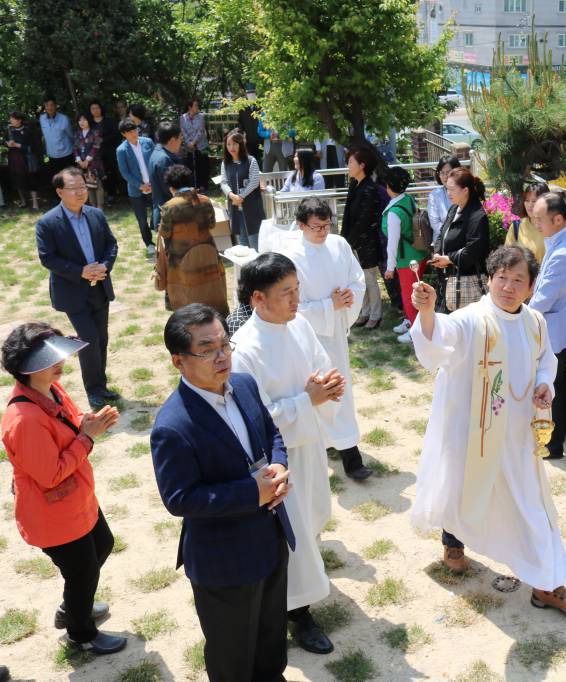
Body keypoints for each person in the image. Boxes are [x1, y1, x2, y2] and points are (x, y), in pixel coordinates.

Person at [409, 245, 566, 614]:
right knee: (461, 486)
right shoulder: (473, 319)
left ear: (531, 286)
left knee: (530, 506)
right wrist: (427, 311)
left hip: (518, 436)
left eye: (517, 279)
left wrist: (544, 385)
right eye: (501, 277)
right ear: (489, 280)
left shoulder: (535, 321)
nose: (508, 286)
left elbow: (545, 361)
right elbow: (439, 336)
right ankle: (452, 540)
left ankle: (548, 584)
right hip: (473, 432)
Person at [150, 304, 295, 681]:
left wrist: (277, 463)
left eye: (224, 344)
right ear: (178, 362)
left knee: (270, 638)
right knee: (233, 654)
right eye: (207, 349)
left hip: (271, 537)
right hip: (225, 562)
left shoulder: (244, 384)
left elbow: (271, 432)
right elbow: (180, 498)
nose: (222, 356)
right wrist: (252, 492)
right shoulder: (173, 425)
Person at [230, 253, 344, 654]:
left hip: (309, 444)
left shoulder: (299, 326)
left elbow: (321, 366)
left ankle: (301, 588)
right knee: (290, 535)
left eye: (297, 289)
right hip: (280, 458)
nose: (297, 300)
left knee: (312, 517)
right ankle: (297, 612)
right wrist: (305, 400)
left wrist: (329, 385)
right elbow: (255, 419)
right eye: (287, 293)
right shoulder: (244, 350)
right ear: (258, 299)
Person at [1, 322, 125, 654]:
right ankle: (81, 634)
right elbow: (51, 473)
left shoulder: (52, 389)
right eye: (49, 359)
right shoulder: (24, 419)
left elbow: (68, 420)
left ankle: (74, 606)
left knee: (102, 545)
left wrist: (86, 422)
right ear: (26, 369)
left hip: (75, 501)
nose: (61, 363)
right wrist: (87, 438)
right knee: (82, 572)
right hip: (53, 514)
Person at [277, 197, 373, 480]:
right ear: (300, 225)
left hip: (334, 334)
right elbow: (289, 303)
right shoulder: (289, 256)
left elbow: (357, 279)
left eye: (327, 225)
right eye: (316, 227)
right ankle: (335, 446)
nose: (323, 232)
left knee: (339, 387)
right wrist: (326, 306)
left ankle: (349, 453)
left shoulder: (339, 245)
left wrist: (348, 297)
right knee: (315, 389)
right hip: (306, 335)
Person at [35, 167, 120, 410]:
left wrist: (104, 266)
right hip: (73, 291)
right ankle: (92, 390)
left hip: (100, 286)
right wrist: (80, 271)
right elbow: (47, 258)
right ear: (60, 192)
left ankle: (101, 384)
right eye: (74, 189)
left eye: (83, 187)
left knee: (102, 337)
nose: (81, 192)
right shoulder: (47, 223)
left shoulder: (95, 215)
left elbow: (111, 244)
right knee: (89, 339)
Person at [528, 193, 566, 460]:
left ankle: (553, 446)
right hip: (562, 323)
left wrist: (519, 315)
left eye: (540, 220)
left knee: (549, 383)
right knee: (559, 379)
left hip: (554, 327)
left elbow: (542, 300)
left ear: (557, 219)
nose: (536, 224)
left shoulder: (563, 251)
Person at [156, 164, 229, 315]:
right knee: (213, 295)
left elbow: (165, 233)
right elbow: (212, 224)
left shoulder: (169, 206)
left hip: (181, 261)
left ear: (171, 187)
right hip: (208, 255)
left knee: (187, 303)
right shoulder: (205, 200)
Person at [430, 166, 489, 312]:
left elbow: (472, 251)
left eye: (452, 189)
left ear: (465, 190)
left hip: (467, 281)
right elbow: (442, 234)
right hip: (448, 280)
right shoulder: (454, 209)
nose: (448, 193)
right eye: (447, 189)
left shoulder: (477, 216)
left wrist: (448, 259)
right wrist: (437, 254)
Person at [382, 167, 428, 341]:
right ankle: (410, 321)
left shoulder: (394, 212)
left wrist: (389, 267)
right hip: (418, 253)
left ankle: (416, 332)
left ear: (388, 186)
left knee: (409, 295)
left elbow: (392, 243)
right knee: (415, 291)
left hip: (405, 258)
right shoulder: (407, 199)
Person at [341, 146, 383, 328]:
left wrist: (351, 240)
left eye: (351, 162)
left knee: (370, 279)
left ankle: (375, 313)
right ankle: (364, 311)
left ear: (362, 165)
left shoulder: (369, 188)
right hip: (353, 240)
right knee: (358, 279)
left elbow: (366, 219)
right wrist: (345, 239)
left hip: (367, 242)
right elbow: (349, 215)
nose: (348, 165)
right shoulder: (354, 184)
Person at [115, 119, 156, 256]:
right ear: (123, 134)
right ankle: (149, 243)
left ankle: (164, 239)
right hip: (136, 190)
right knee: (142, 219)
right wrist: (140, 186)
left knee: (160, 213)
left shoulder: (148, 142)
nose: (134, 133)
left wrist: (153, 182)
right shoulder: (121, 150)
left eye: (135, 130)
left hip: (153, 185)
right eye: (130, 132)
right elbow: (124, 172)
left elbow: (156, 159)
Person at [219, 128, 263, 250]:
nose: (231, 147)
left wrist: (241, 196)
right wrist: (232, 196)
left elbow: (254, 181)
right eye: (228, 144)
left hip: (252, 206)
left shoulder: (250, 161)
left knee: (255, 241)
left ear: (240, 144)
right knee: (242, 242)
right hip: (235, 206)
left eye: (234, 144)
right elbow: (224, 182)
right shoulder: (225, 163)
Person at [148, 121, 184, 229]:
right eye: (180, 138)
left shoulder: (157, 152)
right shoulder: (164, 160)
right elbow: (170, 190)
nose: (181, 141)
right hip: (168, 215)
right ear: (173, 140)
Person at [505, 181, 548, 264]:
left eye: (534, 201)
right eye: (527, 200)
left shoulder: (552, 227)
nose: (529, 205)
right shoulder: (516, 226)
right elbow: (507, 256)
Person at [5, 111, 39, 208]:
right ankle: (23, 202)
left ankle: (35, 203)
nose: (11, 120)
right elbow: (5, 141)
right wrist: (7, 143)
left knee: (31, 179)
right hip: (14, 159)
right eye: (10, 118)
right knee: (18, 180)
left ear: (19, 120)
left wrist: (16, 145)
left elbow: (32, 147)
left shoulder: (28, 131)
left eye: (13, 118)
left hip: (27, 159)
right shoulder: (9, 130)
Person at [39, 96, 75, 184]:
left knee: (70, 179)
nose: (49, 107)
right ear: (44, 106)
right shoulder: (42, 118)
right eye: (47, 105)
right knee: (57, 180)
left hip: (66, 154)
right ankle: (60, 197)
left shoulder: (64, 119)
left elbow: (71, 136)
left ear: (55, 106)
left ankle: (72, 197)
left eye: (51, 105)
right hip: (52, 156)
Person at [89, 100, 119, 203]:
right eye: (93, 108)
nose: (95, 110)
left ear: (101, 109)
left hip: (109, 151)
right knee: (97, 174)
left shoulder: (109, 121)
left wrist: (103, 140)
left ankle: (111, 194)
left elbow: (116, 135)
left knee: (110, 172)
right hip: (94, 154)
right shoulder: (89, 123)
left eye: (97, 108)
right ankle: (100, 196)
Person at [73, 113, 105, 208]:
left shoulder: (95, 132)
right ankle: (92, 206)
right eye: (80, 120)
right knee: (87, 186)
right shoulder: (77, 134)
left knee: (97, 185)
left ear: (89, 120)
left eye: (84, 119)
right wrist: (79, 160)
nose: (82, 122)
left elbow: (96, 146)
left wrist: (87, 159)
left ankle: (100, 207)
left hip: (94, 162)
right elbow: (75, 148)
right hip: (81, 164)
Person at [427, 156, 460, 241]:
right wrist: (452, 236)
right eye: (442, 172)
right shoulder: (434, 195)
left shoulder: (464, 191)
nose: (445, 176)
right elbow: (435, 224)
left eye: (448, 172)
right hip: (442, 241)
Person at [180, 99, 210, 190]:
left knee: (202, 166)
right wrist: (188, 143)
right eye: (195, 105)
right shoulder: (183, 117)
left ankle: (203, 186)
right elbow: (183, 131)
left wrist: (193, 142)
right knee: (190, 166)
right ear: (190, 107)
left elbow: (201, 131)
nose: (197, 107)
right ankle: (192, 186)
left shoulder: (201, 117)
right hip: (188, 147)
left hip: (201, 145)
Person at [237, 91, 263, 165]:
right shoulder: (242, 108)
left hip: (262, 140)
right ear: (246, 95)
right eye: (249, 94)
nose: (251, 96)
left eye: (252, 93)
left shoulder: (261, 106)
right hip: (249, 140)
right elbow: (240, 123)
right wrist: (240, 135)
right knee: (251, 162)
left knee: (261, 162)